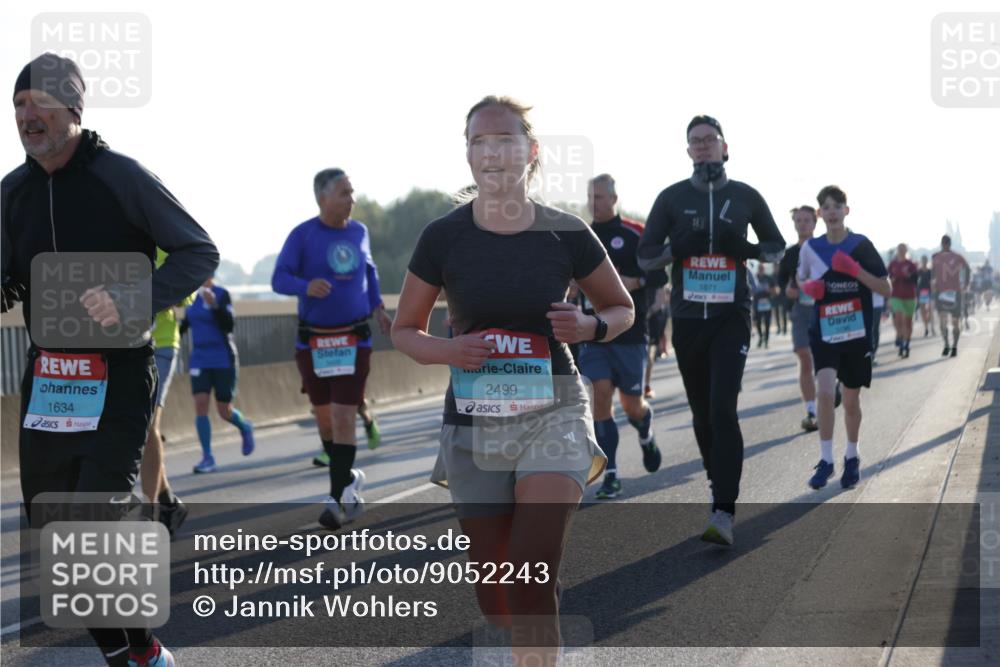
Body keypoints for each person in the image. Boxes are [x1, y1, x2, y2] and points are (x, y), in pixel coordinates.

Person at [392, 96, 632, 663]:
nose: (491, 151)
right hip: (477, 424)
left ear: (531, 152)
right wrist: (450, 349)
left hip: (554, 410)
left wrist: (589, 326)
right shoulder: (443, 237)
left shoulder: (567, 233)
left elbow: (622, 310)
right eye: (478, 141)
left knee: (530, 569)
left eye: (504, 140)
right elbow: (405, 330)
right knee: (497, 594)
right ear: (468, 154)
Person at [2, 53, 218, 667]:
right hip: (49, 380)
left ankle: (145, 647)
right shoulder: (11, 194)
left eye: (40, 101)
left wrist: (134, 298)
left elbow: (197, 251)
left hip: (119, 374)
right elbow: (6, 283)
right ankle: (133, 657)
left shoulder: (120, 176)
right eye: (18, 103)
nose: (27, 114)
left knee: (94, 519)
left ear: (74, 108)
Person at [637, 114, 785, 546]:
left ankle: (724, 510)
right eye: (695, 142)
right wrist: (673, 251)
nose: (703, 147)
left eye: (709, 140)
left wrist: (748, 250)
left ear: (725, 147)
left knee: (723, 407)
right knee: (702, 414)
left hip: (731, 317)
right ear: (688, 152)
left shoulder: (745, 196)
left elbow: (777, 250)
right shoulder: (671, 198)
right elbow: (645, 258)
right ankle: (716, 475)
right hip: (687, 320)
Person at [272, 168, 392, 530]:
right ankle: (347, 478)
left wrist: (379, 309)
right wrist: (306, 286)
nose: (351, 200)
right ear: (323, 198)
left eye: (352, 192)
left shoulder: (359, 232)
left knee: (343, 416)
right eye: (344, 193)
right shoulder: (303, 235)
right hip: (314, 342)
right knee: (324, 418)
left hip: (355, 338)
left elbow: (369, 273)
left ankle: (337, 498)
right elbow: (279, 279)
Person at [578, 174, 666, 500]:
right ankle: (610, 473)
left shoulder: (634, 233)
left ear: (614, 199)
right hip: (593, 332)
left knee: (632, 405)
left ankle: (644, 428)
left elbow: (659, 271)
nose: (594, 202)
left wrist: (635, 282)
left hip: (630, 333)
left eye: (600, 196)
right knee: (599, 394)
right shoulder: (580, 234)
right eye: (590, 196)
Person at [797, 186, 890, 491]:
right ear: (820, 213)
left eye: (837, 206)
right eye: (826, 206)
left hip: (855, 331)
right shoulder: (811, 248)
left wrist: (855, 270)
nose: (832, 211)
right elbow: (801, 282)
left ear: (846, 211)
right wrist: (812, 289)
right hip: (824, 331)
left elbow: (885, 288)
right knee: (825, 392)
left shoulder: (860, 245)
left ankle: (852, 454)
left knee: (851, 400)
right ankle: (826, 460)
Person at [140, 249, 194, 535]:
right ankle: (169, 501)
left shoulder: (165, 237)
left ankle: (148, 515)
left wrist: (153, 292)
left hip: (159, 343)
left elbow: (188, 288)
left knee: (148, 425)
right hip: (117, 343)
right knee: (136, 428)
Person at [180, 277, 254, 472]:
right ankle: (207, 456)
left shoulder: (222, 294)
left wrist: (215, 306)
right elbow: (183, 327)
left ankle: (244, 427)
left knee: (224, 410)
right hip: (199, 359)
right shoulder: (191, 298)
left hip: (223, 358)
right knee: (201, 403)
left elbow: (229, 325)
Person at [778, 205, 820, 431]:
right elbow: (782, 281)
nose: (802, 223)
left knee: (825, 359)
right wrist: (788, 291)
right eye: (799, 220)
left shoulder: (823, 248)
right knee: (804, 357)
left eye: (806, 220)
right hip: (801, 310)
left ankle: (834, 387)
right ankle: (811, 411)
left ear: (815, 223)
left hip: (824, 309)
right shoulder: (790, 254)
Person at [931, 235, 970, 357]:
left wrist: (966, 285)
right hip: (941, 292)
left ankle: (954, 346)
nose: (945, 246)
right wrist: (933, 283)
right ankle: (947, 344)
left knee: (955, 322)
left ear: (949, 244)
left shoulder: (957, 257)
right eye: (943, 244)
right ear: (941, 244)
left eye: (946, 244)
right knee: (942, 320)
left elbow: (968, 269)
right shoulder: (935, 257)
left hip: (955, 292)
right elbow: (932, 272)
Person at [887, 243, 918, 358]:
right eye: (899, 249)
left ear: (906, 251)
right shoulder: (893, 264)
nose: (901, 251)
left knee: (908, 323)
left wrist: (907, 275)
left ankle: (906, 344)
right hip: (896, 295)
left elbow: (916, 280)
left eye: (903, 249)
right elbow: (887, 279)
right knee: (899, 318)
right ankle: (900, 337)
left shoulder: (911, 265)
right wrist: (892, 280)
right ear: (897, 250)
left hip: (910, 296)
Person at [752, 263, 775, 348]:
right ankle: (761, 337)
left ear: (764, 269)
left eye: (762, 268)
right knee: (758, 322)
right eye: (759, 268)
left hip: (767, 303)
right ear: (758, 269)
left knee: (767, 322)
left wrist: (771, 290)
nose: (761, 270)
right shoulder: (754, 277)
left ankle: (767, 341)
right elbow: (750, 288)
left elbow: (775, 289)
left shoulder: (768, 278)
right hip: (757, 303)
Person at [916, 255, 934, 337]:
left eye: (925, 260)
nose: (924, 262)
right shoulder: (918, 271)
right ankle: (926, 328)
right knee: (923, 311)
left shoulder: (930, 271)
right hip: (921, 292)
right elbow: (916, 282)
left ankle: (931, 326)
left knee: (930, 311)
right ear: (921, 261)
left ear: (927, 261)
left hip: (929, 292)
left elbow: (933, 282)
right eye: (923, 260)